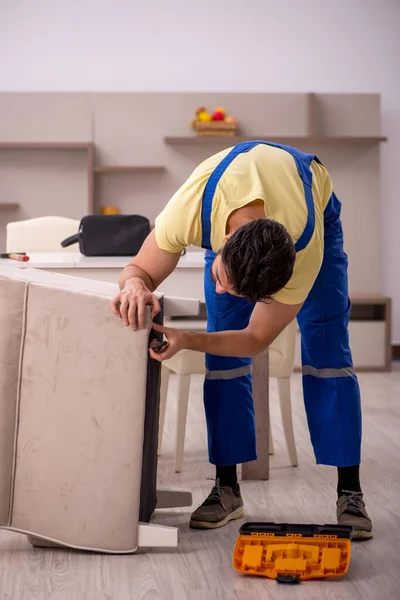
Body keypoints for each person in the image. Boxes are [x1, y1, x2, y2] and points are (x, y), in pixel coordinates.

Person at [111, 140, 372, 540]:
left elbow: (253, 338)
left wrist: (186, 337)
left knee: (328, 350)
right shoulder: (190, 210)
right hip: (229, 196)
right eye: (222, 280)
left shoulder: (304, 247)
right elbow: (138, 271)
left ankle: (350, 491)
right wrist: (133, 287)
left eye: (244, 294)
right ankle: (227, 488)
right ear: (224, 241)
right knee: (223, 362)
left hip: (315, 206)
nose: (229, 294)